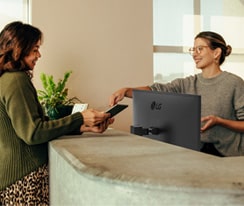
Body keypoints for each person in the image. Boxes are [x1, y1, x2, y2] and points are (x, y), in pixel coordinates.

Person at [0, 21, 113, 205]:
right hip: (24, 179)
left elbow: (40, 125)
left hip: (15, 178)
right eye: (35, 49)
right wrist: (80, 117)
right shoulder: (16, 80)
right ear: (21, 48)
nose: (39, 55)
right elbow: (33, 133)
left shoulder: (7, 79)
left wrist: (83, 126)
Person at [110, 31, 244, 157]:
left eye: (200, 49)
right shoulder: (188, 83)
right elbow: (157, 90)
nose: (194, 54)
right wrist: (127, 91)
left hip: (228, 156)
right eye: (193, 49)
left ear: (216, 53)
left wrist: (219, 121)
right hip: (197, 152)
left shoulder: (234, 83)